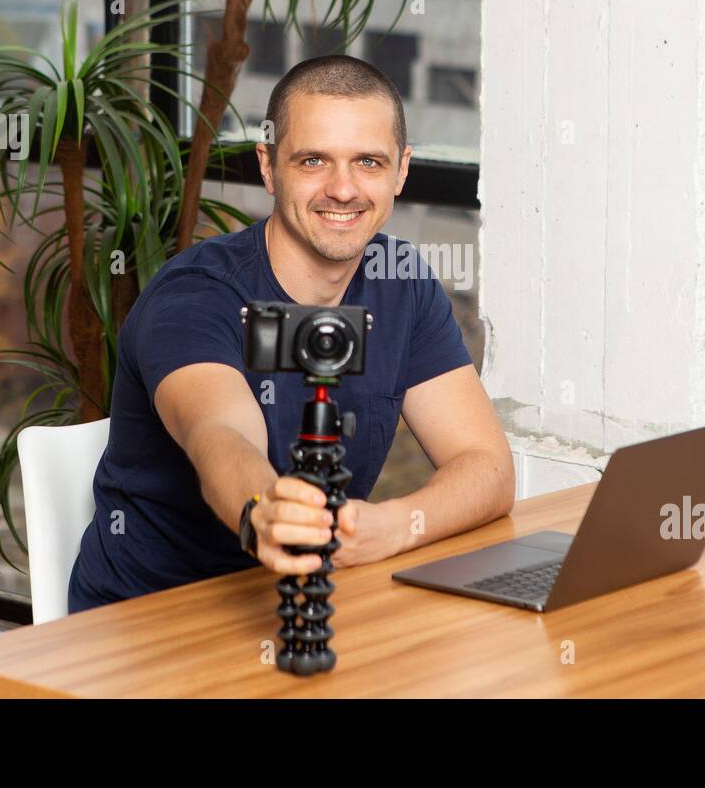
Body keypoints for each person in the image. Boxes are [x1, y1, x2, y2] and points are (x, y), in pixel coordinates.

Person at [67, 54, 515, 612]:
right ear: (269, 165)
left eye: (369, 162)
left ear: (401, 170)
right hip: (146, 623)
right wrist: (264, 512)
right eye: (313, 161)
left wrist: (393, 526)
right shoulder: (194, 294)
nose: (344, 189)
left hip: (308, 605)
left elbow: (488, 467)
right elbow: (220, 433)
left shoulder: (401, 283)